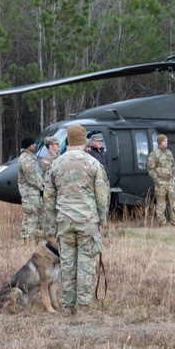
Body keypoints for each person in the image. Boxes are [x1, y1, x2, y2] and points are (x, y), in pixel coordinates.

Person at [45, 124, 109, 315]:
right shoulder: (93, 164)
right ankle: (82, 307)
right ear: (83, 140)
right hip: (87, 221)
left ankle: (68, 306)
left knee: (67, 263)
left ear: (68, 140)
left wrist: (53, 222)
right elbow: (102, 196)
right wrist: (101, 221)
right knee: (85, 264)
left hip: (64, 222)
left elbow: (48, 197)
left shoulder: (56, 164)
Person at [18, 136, 44, 246]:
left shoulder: (31, 158)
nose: (35, 145)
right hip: (30, 194)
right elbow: (31, 177)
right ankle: (27, 243)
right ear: (28, 146)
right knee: (30, 219)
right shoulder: (25, 159)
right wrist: (43, 187)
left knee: (40, 218)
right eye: (33, 144)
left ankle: (39, 242)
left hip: (35, 194)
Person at [147, 134, 175, 225]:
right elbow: (150, 169)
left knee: (172, 203)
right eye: (164, 141)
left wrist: (173, 179)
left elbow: (173, 167)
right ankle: (162, 223)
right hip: (161, 183)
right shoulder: (154, 154)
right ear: (160, 142)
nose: (166, 143)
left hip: (170, 183)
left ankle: (174, 222)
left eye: (167, 141)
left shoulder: (169, 153)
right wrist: (157, 180)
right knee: (161, 204)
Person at [41, 137, 60, 236]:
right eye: (56, 144)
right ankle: (51, 236)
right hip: (50, 190)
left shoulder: (59, 157)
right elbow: (49, 172)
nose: (59, 146)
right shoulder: (47, 159)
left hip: (59, 189)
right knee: (51, 215)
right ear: (50, 146)